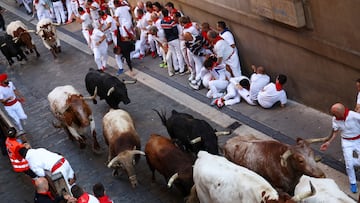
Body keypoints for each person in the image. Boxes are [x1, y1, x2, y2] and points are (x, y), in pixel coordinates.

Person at [320, 103, 360, 193]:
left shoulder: (354, 115)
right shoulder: (335, 119)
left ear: (341, 112)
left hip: (358, 140)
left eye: (335, 113)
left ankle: (354, 162)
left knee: (353, 162)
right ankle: (353, 182)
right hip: (346, 142)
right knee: (349, 165)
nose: (333, 115)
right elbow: (335, 131)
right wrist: (328, 142)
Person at [161, 8, 185, 75]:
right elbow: (175, 31)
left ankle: (176, 68)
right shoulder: (171, 21)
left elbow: (164, 31)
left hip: (169, 40)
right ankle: (181, 69)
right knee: (179, 54)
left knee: (174, 54)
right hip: (175, 39)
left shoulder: (162, 21)